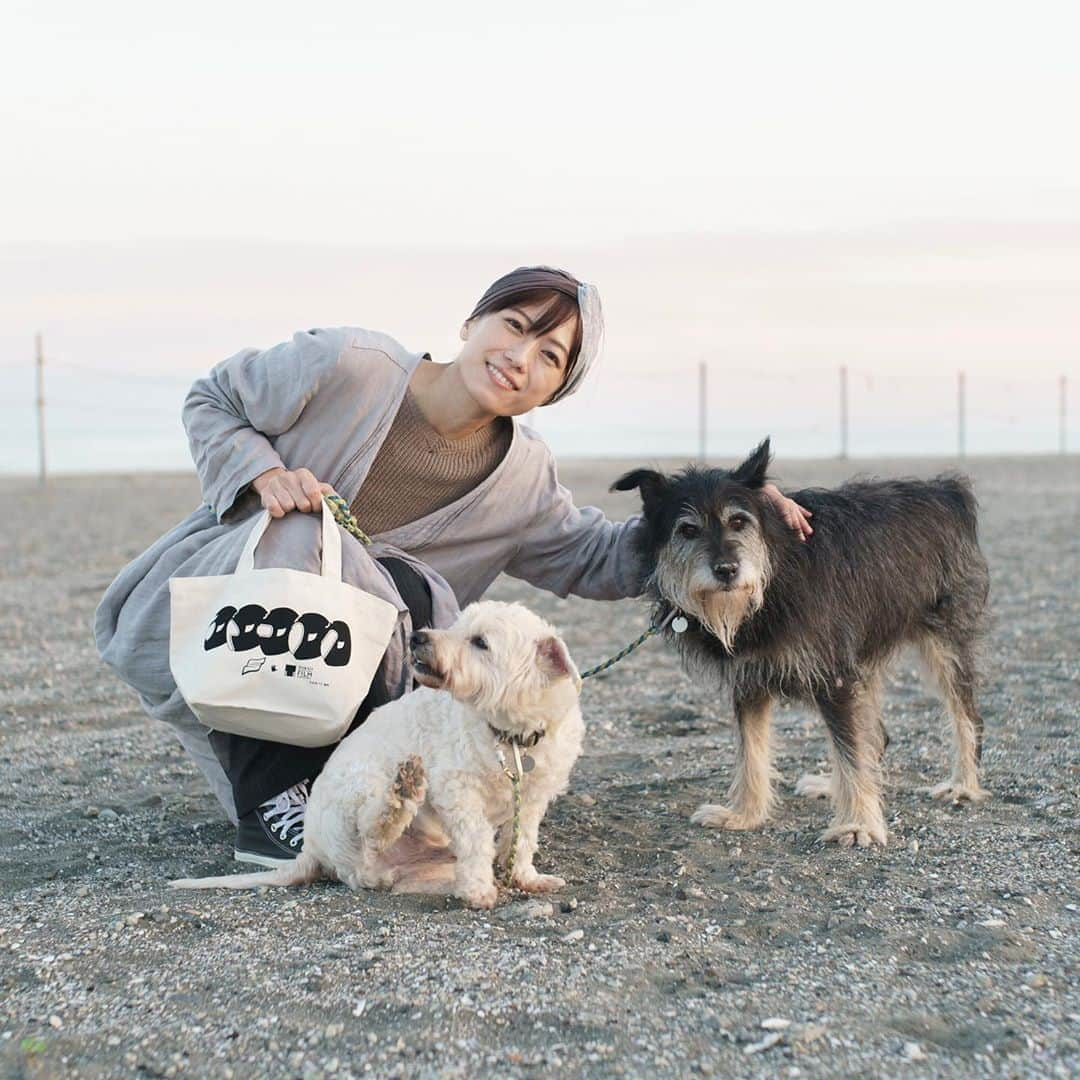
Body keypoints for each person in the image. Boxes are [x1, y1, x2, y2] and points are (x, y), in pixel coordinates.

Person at [95, 266, 812, 868]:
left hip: (358, 689)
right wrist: (260, 474)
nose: (522, 357)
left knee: (416, 610)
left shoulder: (524, 478)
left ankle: (336, 797)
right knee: (315, 532)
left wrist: (736, 514)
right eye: (517, 325)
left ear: (554, 391)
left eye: (552, 358)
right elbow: (212, 399)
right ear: (474, 322)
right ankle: (273, 803)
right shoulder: (348, 365)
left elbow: (602, 553)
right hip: (220, 625)